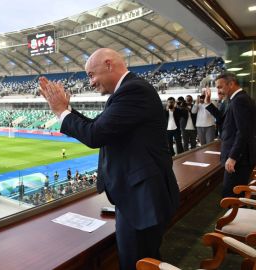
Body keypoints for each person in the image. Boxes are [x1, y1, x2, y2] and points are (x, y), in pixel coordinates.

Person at [39, 48, 179, 270]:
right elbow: (99, 128)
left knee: (137, 263)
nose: (91, 83)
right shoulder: (128, 91)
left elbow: (95, 135)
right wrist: (67, 110)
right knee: (144, 259)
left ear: (108, 65)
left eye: (91, 75)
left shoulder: (133, 91)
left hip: (142, 199)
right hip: (137, 196)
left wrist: (60, 112)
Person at [206, 73, 256, 198]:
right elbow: (226, 122)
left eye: (220, 87)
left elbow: (243, 131)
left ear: (231, 84)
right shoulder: (237, 99)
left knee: (231, 196)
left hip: (239, 160)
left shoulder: (239, 100)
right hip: (240, 158)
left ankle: (234, 216)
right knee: (232, 193)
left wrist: (233, 157)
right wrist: (209, 104)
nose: (218, 91)